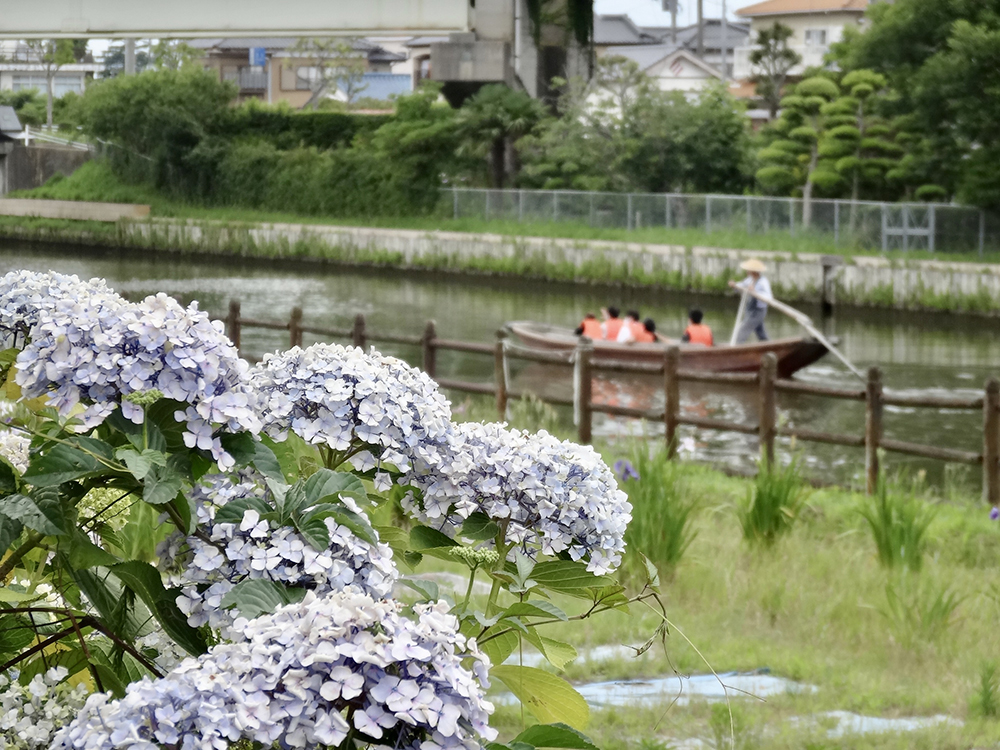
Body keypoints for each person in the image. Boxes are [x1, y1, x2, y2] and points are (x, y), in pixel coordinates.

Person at [728, 259, 772, 343]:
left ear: (753, 271)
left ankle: (736, 348)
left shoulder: (763, 282)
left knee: (742, 332)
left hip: (758, 311)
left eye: (748, 270)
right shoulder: (749, 280)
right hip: (750, 310)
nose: (746, 271)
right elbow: (742, 285)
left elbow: (768, 297)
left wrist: (755, 292)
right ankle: (767, 346)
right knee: (761, 333)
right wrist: (735, 285)